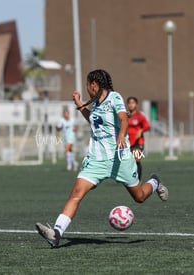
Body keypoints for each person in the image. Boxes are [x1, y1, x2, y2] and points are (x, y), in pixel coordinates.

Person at [35, 69, 169, 248]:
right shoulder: (96, 103)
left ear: (94, 84)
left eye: (87, 85)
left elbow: (124, 119)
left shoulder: (114, 98)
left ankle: (154, 182)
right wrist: (80, 104)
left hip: (119, 158)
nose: (87, 88)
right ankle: (56, 234)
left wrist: (121, 135)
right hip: (96, 160)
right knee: (76, 195)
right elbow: (93, 120)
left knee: (139, 197)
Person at [126, 96, 150, 180]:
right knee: (128, 161)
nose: (131, 105)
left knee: (136, 160)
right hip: (128, 142)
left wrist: (141, 130)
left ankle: (138, 180)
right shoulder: (126, 116)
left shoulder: (139, 116)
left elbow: (147, 126)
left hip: (138, 142)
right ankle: (130, 178)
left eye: (133, 103)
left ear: (136, 104)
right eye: (129, 103)